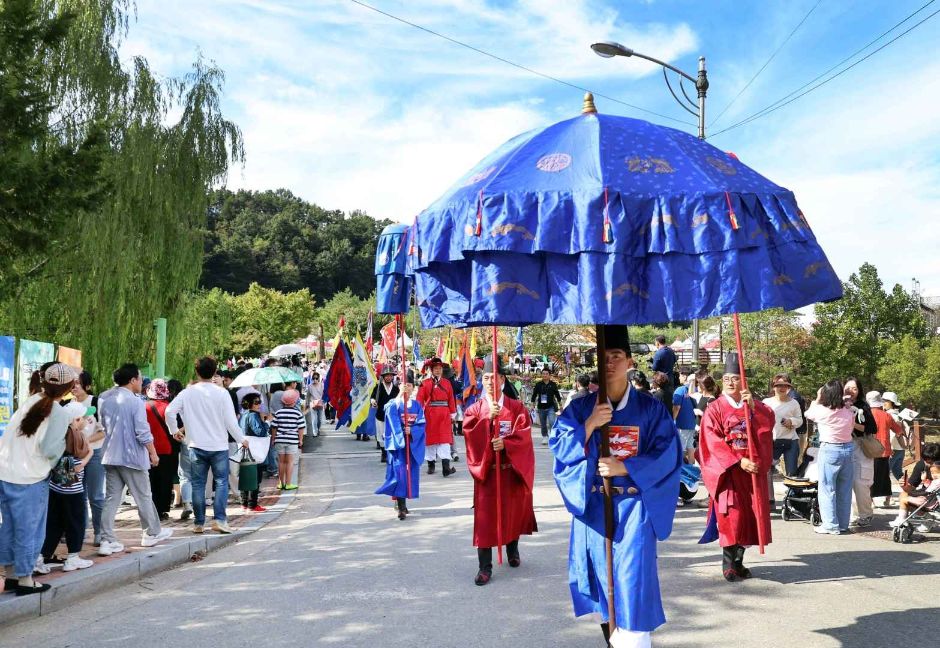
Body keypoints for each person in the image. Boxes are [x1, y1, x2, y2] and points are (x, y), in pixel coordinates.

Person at [551, 326, 681, 648]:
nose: (609, 363)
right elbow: (560, 447)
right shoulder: (581, 408)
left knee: (632, 584)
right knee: (602, 584)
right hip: (595, 507)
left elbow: (668, 454)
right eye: (603, 358)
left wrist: (626, 466)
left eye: (616, 357)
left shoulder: (651, 409)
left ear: (630, 361)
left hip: (635, 508)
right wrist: (590, 424)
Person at [698, 353, 774, 582]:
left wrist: (754, 410)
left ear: (744, 381)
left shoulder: (755, 406)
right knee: (732, 515)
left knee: (751, 515)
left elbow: (767, 428)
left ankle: (738, 562)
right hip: (729, 471)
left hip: (750, 471)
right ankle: (729, 565)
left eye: (736, 378)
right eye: (727, 378)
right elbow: (711, 440)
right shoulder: (715, 408)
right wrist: (738, 460)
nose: (731, 383)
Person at [0, 364, 75, 596]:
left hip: (6, 472)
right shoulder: (59, 411)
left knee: (10, 527)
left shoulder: (31, 401)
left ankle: (10, 574)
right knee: (29, 530)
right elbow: (50, 449)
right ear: (68, 388)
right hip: (31, 477)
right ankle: (25, 580)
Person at [463, 357, 537, 586]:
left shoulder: (516, 407)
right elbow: (468, 434)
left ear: (502, 379)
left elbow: (524, 434)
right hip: (487, 473)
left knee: (511, 512)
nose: (489, 382)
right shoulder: (475, 409)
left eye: (493, 377)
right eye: (485, 378)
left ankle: (512, 549)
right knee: (485, 520)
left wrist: (507, 444)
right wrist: (487, 419)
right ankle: (484, 567)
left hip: (509, 471)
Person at [165, 357, 248, 535]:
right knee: (221, 482)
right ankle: (219, 520)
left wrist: (174, 430)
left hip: (195, 445)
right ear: (214, 371)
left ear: (196, 372)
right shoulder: (222, 393)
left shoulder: (187, 393)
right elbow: (230, 421)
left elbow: (169, 411)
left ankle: (199, 522)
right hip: (219, 445)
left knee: (198, 484)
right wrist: (241, 438)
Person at [98, 364, 173, 555]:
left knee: (112, 498)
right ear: (132, 380)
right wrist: (153, 453)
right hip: (132, 457)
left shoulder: (105, 399)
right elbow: (142, 431)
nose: (142, 382)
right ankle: (151, 533)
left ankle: (107, 539)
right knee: (143, 496)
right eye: (140, 379)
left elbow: (103, 426)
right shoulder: (135, 402)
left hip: (110, 455)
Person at [40, 401, 95, 573]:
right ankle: (73, 557)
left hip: (56, 487)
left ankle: (41, 557)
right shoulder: (76, 436)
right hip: (73, 490)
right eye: (85, 417)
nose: (88, 420)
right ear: (76, 419)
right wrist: (89, 455)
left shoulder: (58, 434)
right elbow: (81, 461)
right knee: (75, 522)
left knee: (54, 522)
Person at [805, 380, 856, 534]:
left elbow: (808, 414)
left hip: (830, 449)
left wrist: (817, 398)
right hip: (848, 448)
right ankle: (842, 524)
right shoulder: (848, 410)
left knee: (827, 488)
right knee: (845, 489)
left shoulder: (822, 410)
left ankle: (830, 525)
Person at [375, 383, 426, 520]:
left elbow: (421, 423)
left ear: (413, 388)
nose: (406, 388)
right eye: (404, 385)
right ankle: (401, 507)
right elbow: (388, 412)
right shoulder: (394, 403)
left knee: (410, 474)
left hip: (412, 442)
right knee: (399, 472)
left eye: (409, 385)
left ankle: (401, 502)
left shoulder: (416, 405)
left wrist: (413, 430)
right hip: (397, 443)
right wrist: (398, 396)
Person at [71, 371, 106, 545]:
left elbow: (103, 431)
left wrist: (84, 441)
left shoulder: (96, 402)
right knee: (79, 494)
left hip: (95, 454)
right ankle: (80, 530)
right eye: (72, 383)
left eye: (78, 383)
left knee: (96, 495)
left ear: (88, 386)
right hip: (76, 456)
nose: (75, 386)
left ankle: (100, 532)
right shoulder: (68, 405)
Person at [844, 377, 877, 527]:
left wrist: (852, 423)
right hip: (842, 446)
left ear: (859, 391)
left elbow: (871, 428)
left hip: (860, 446)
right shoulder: (837, 403)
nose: (850, 391)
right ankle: (851, 514)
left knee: (860, 482)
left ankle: (866, 514)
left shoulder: (863, 406)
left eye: (854, 388)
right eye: (848, 387)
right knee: (845, 482)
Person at [416, 357, 457, 477]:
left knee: (444, 440)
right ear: (431, 370)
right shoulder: (425, 383)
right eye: (436, 369)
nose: (438, 371)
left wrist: (452, 414)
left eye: (440, 369)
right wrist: (418, 414)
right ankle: (431, 464)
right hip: (430, 414)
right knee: (430, 440)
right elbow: (419, 399)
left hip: (444, 413)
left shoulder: (447, 383)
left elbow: (451, 399)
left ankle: (446, 467)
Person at [144, 379, 177, 521]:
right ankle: (162, 509)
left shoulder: (143, 407)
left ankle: (152, 507)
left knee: (151, 479)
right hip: (167, 449)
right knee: (165, 479)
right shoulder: (169, 407)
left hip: (148, 448)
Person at [889, 442, 940, 530]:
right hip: (927, 497)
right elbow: (910, 488)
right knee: (904, 495)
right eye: (925, 460)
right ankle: (928, 518)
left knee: (907, 498)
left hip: (931, 499)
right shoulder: (922, 465)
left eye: (930, 462)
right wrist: (904, 485)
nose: (927, 464)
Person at [865, 391, 902, 508]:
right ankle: (888, 499)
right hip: (884, 450)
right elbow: (898, 430)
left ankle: (871, 501)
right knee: (885, 475)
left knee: (869, 476)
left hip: (869, 450)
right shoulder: (886, 415)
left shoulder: (866, 414)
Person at [762, 374, 803, 478]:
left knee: (792, 473)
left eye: (785, 385)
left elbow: (800, 420)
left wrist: (792, 421)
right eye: (779, 385)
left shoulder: (794, 403)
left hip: (791, 441)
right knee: (767, 472)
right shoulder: (766, 402)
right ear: (773, 387)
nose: (782, 388)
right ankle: (769, 494)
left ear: (789, 387)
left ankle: (793, 493)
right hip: (772, 441)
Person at [239, 393, 270, 512]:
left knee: (245, 475)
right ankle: (252, 504)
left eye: (259, 402)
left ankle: (244, 503)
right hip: (254, 450)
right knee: (255, 477)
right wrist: (265, 422)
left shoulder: (244, 415)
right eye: (256, 402)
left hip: (245, 449)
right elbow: (260, 432)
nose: (259, 404)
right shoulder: (253, 416)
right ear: (249, 403)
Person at [270, 389, 305, 491]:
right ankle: (288, 483)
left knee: (281, 462)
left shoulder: (278, 413)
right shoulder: (297, 413)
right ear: (294, 402)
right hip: (292, 441)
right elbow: (301, 428)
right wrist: (301, 440)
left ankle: (281, 483)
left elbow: (274, 427)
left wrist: (273, 439)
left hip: (280, 440)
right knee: (290, 462)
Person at [371, 367, 400, 463]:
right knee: (381, 434)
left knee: (392, 434)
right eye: (386, 376)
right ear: (383, 377)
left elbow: (399, 401)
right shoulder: (378, 387)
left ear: (392, 377)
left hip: (393, 416)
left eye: (390, 376)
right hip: (381, 414)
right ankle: (383, 452)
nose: (388, 377)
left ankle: (391, 453)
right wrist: (373, 402)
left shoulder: (396, 389)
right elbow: (372, 397)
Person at [881, 391, 909, 485]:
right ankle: (909, 489)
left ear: (892, 403)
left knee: (884, 473)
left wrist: (890, 448)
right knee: (898, 472)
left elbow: (892, 433)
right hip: (900, 449)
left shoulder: (890, 415)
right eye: (883, 400)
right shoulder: (899, 415)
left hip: (892, 449)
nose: (883, 402)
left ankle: (886, 495)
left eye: (886, 401)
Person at [531, 369, 562, 446]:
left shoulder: (553, 384)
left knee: (552, 422)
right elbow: (534, 395)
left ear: (549, 375)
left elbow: (557, 395)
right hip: (541, 407)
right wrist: (532, 404)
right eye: (543, 374)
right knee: (543, 423)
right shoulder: (538, 385)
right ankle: (545, 436)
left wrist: (560, 405)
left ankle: (552, 436)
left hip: (550, 407)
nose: (544, 375)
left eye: (546, 374)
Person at [672, 375, 698, 464]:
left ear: (684, 376)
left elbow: (677, 407)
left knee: (681, 447)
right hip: (693, 423)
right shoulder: (696, 389)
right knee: (690, 446)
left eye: (680, 375)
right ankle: (692, 468)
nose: (679, 378)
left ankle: (682, 470)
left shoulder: (680, 390)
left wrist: (672, 419)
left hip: (681, 424)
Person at [306, 371, 325, 438]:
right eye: (314, 378)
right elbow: (308, 396)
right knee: (314, 419)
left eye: (316, 378)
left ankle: (318, 429)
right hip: (313, 403)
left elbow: (324, 394)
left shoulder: (322, 385)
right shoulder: (310, 386)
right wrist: (307, 403)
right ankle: (315, 432)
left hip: (320, 403)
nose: (315, 380)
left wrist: (325, 402)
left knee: (319, 419)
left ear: (318, 379)